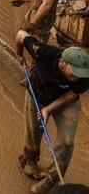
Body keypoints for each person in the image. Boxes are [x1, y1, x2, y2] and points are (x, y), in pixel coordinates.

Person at [16, 30, 89, 193]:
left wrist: (49, 109)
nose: (78, 77)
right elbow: (20, 34)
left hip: (66, 100)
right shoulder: (43, 52)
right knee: (34, 129)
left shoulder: (84, 74)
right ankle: (31, 159)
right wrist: (19, 54)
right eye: (74, 73)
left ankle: (51, 179)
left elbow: (73, 93)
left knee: (67, 142)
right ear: (63, 62)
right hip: (38, 91)